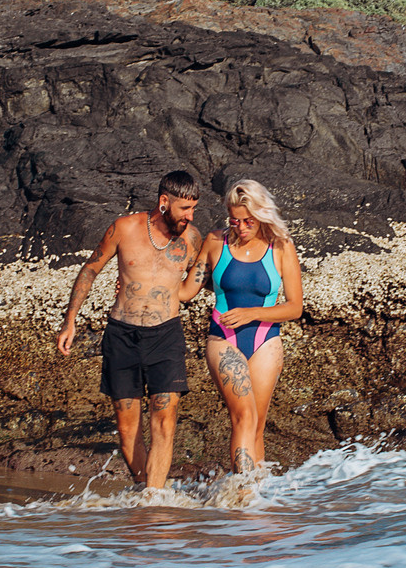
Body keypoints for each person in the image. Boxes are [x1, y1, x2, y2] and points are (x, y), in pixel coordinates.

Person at [57, 169, 205, 491]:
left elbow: (201, 278)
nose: (190, 216)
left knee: (164, 421)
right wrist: (70, 321)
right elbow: (91, 269)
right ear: (164, 202)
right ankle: (144, 488)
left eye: (194, 208)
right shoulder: (124, 228)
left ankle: (154, 497)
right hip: (121, 336)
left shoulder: (193, 239)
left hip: (166, 335)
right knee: (128, 433)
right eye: (185, 208)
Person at [193, 178, 304, 474]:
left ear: (261, 214)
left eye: (248, 221)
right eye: (235, 221)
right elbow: (185, 289)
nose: (241, 228)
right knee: (242, 417)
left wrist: (251, 313)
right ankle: (241, 495)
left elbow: (295, 307)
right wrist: (140, 284)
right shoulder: (216, 241)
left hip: (266, 339)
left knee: (257, 424)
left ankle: (256, 501)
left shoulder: (281, 246)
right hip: (223, 338)